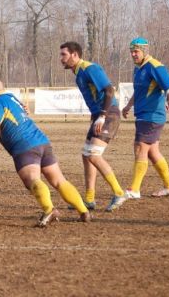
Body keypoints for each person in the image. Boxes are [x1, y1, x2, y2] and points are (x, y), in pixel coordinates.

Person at [0, 79, 91, 226]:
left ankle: (49, 210)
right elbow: (25, 110)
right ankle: (83, 211)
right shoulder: (12, 97)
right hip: (42, 141)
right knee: (59, 180)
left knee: (32, 179)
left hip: (24, 146)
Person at [59, 42, 126, 212]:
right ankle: (89, 199)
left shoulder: (90, 68)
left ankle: (119, 192)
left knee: (93, 154)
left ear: (75, 55)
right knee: (86, 154)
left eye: (64, 55)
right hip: (99, 115)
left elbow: (109, 91)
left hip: (108, 114)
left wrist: (102, 116)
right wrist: (95, 116)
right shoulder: (79, 73)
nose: (61, 59)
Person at [121, 37, 169, 199]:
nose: (133, 54)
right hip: (142, 115)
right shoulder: (138, 68)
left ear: (144, 51)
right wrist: (128, 106)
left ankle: (134, 189)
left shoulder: (155, 66)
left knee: (140, 148)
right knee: (153, 152)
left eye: (136, 51)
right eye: (131, 51)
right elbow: (139, 91)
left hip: (152, 116)